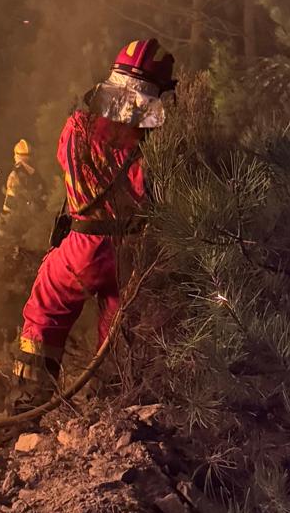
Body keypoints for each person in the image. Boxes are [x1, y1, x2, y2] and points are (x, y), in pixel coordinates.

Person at [10, 38, 176, 408]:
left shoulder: (78, 127)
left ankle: (28, 403)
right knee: (117, 335)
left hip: (82, 247)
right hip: (131, 256)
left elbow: (64, 161)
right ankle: (111, 407)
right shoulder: (158, 146)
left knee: (45, 310)